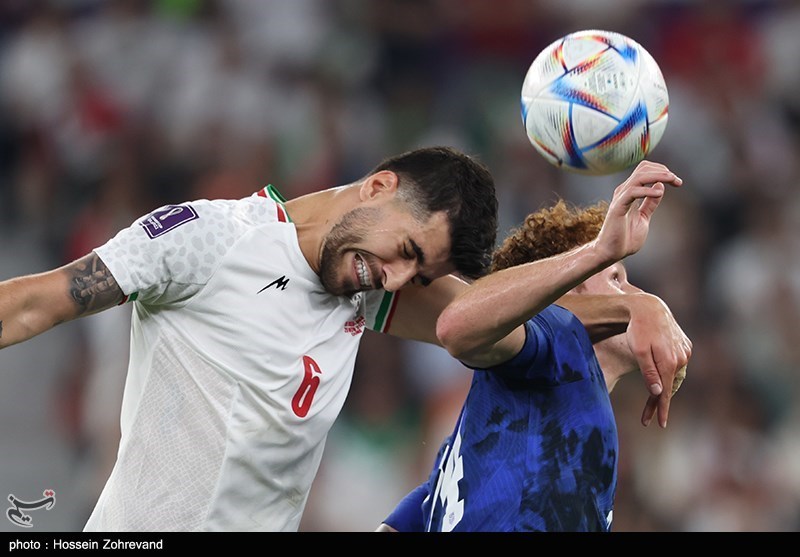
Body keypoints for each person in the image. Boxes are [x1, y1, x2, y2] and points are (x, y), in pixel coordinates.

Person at [0, 144, 684, 531]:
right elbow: (31, 305)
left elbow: (496, 316)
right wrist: (628, 299)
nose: (397, 279)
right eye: (407, 251)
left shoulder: (366, 288)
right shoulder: (210, 240)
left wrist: (636, 306)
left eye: (420, 273)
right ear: (378, 186)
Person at [377, 198, 692, 532]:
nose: (635, 293)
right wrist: (629, 304)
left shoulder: (467, 457)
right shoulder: (553, 346)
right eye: (617, 278)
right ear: (566, 291)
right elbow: (455, 324)